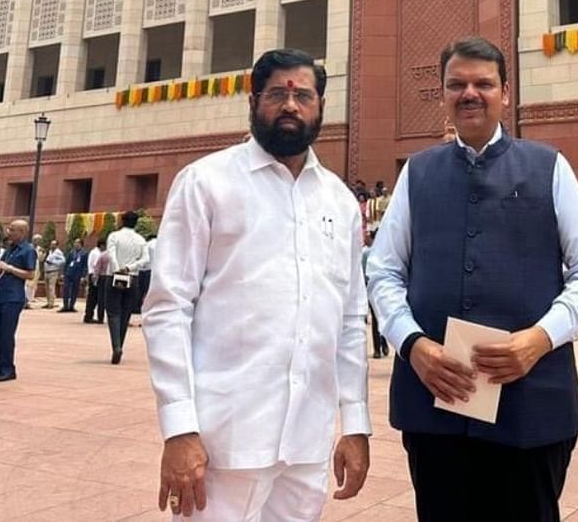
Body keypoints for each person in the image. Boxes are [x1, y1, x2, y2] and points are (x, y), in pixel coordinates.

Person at [368, 37, 578, 522]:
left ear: (506, 92)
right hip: (434, 399)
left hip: (531, 401)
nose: (469, 93)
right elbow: (384, 270)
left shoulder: (548, 166)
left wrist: (539, 340)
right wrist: (413, 344)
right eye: (456, 84)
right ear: (443, 94)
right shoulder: (417, 173)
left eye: (483, 83)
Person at [143, 48, 370, 521]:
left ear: (321, 106)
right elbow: (168, 307)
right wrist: (179, 427)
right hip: (225, 438)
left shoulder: (340, 202)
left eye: (303, 95)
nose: (290, 106)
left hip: (307, 439)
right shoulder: (206, 183)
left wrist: (356, 423)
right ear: (253, 102)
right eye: (276, 95)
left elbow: (349, 320)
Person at [0, 220, 36, 382]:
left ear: (22, 232)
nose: (9, 232)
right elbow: (1, 266)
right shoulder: (10, 249)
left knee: (6, 334)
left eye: (12, 230)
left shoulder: (28, 251)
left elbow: (30, 274)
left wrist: (9, 269)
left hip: (12, 297)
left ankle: (7, 368)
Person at [104, 212, 147, 364]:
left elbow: (111, 254)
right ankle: (119, 344)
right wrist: (129, 267)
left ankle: (116, 346)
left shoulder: (114, 236)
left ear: (122, 221)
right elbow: (145, 259)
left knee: (113, 312)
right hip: (132, 276)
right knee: (126, 313)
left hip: (115, 276)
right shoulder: (141, 239)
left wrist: (118, 269)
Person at [362, 230, 388, 359]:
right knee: (382, 317)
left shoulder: (366, 252)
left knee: (376, 320)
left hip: (371, 288)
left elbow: (362, 271)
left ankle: (378, 349)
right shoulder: (383, 251)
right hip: (383, 290)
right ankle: (384, 344)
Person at [84, 239, 108, 324]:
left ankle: (89, 315)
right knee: (93, 298)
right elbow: (96, 266)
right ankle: (89, 316)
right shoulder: (97, 253)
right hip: (95, 276)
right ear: (102, 245)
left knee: (93, 297)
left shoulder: (94, 252)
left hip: (93, 275)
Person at [61, 238, 87, 313]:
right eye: (75, 243)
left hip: (77, 274)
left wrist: (83, 276)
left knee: (75, 290)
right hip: (69, 273)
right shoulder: (71, 252)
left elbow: (85, 265)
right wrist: (63, 273)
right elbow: (67, 263)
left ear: (81, 244)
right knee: (66, 289)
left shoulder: (84, 253)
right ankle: (65, 305)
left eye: (77, 243)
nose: (75, 244)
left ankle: (72, 305)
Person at [43, 239, 65, 310]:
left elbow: (63, 260)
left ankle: (51, 303)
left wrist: (53, 262)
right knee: (46, 288)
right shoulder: (50, 251)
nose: (52, 245)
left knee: (51, 287)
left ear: (57, 245)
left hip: (53, 271)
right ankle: (48, 301)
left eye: (53, 244)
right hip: (47, 271)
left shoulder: (58, 252)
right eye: (51, 244)